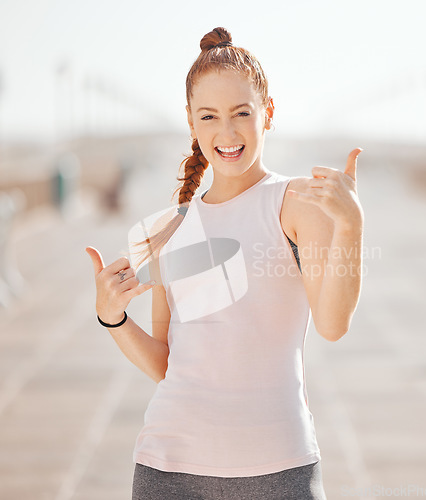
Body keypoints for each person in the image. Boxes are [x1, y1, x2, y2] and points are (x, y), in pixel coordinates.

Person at [86, 26, 364, 500]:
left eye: (242, 112)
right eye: (209, 116)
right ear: (192, 124)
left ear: (268, 113)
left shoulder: (296, 202)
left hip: (280, 468)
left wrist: (350, 226)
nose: (227, 132)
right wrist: (111, 316)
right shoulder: (167, 230)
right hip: (167, 469)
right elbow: (167, 363)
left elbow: (333, 324)